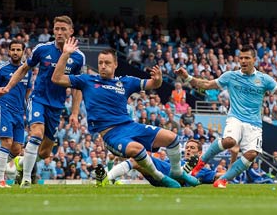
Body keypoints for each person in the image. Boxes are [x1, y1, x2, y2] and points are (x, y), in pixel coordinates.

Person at [51, 38, 200, 188]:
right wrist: (65, 54)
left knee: (172, 138)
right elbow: (56, 78)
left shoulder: (125, 82)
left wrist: (158, 79)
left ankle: (177, 172)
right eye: (100, 63)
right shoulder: (87, 80)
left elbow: (153, 84)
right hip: (112, 134)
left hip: (131, 126)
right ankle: (160, 177)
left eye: (107, 63)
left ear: (115, 64)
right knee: (138, 150)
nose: (103, 66)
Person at [176, 44, 277, 188]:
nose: (243, 61)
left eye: (247, 58)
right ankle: (199, 164)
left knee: (251, 154)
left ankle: (222, 180)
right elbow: (207, 84)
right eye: (241, 58)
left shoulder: (264, 79)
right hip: (235, 118)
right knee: (229, 141)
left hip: (254, 124)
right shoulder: (231, 76)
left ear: (254, 60)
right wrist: (187, 77)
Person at [0, 16, 85, 188]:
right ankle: (27, 180)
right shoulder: (42, 49)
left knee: (45, 152)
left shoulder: (78, 57)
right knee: (36, 133)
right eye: (56, 28)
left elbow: (77, 87)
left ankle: (21, 165)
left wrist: (74, 113)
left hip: (57, 105)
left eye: (63, 29)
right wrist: (8, 87)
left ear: (71, 32)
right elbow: (23, 69)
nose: (59, 32)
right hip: (38, 99)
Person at [0, 40, 32, 188]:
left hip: (19, 112)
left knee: (16, 149)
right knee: (6, 142)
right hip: (5, 109)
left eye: (18, 50)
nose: (15, 52)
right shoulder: (1, 69)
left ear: (23, 52)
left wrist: (29, 112)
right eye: (13, 50)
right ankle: (0, 180)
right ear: (9, 52)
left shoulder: (26, 71)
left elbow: (28, 93)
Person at [97, 139, 220, 186]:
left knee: (137, 158)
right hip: (161, 174)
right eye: (187, 147)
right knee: (135, 161)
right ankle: (108, 178)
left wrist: (234, 168)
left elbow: (219, 176)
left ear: (199, 154)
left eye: (192, 148)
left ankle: (184, 174)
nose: (188, 149)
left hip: (170, 179)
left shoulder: (204, 170)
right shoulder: (172, 160)